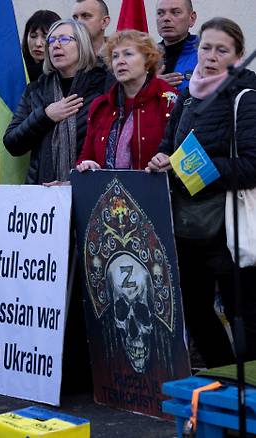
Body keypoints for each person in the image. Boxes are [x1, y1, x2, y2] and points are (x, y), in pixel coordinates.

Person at [147, 17, 256, 367]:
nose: (210, 56)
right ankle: (222, 378)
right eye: (206, 47)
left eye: (221, 50)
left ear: (237, 57)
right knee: (195, 312)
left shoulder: (246, 97)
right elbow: (168, 147)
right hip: (188, 226)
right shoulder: (187, 98)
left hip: (228, 227)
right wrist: (162, 161)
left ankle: (248, 395)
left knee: (245, 321)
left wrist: (199, 167)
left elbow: (253, 166)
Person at [4, 19, 108, 185]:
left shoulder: (103, 86)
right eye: (51, 41)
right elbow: (12, 143)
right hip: (44, 193)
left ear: (82, 45)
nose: (56, 45)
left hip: (90, 188)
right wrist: (45, 116)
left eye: (64, 39)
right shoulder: (36, 89)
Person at [76, 30, 178, 172]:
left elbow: (183, 155)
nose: (120, 61)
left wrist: (170, 161)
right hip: (108, 192)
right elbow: (86, 155)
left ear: (148, 61)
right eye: (115, 56)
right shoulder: (101, 106)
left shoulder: (169, 101)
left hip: (156, 189)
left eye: (128, 54)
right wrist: (87, 164)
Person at [156, 0, 198, 91]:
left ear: (192, 18)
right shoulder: (144, 57)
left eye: (176, 12)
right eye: (160, 13)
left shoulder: (205, 54)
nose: (166, 18)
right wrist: (150, 85)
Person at [22, 10, 62, 83]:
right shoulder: (17, 69)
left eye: (45, 37)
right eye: (33, 36)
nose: (38, 44)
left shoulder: (63, 73)